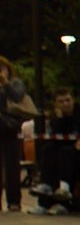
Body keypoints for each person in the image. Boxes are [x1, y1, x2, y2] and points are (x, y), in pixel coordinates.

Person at [0, 56, 33, 212]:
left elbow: (18, 96)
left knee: (12, 168)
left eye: (2, 69)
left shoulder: (15, 83)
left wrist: (5, 83)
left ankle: (14, 201)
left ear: (8, 70)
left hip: (11, 128)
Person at [29, 87, 77, 215]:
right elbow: (56, 138)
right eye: (61, 101)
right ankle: (44, 200)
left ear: (73, 100)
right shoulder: (56, 119)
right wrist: (61, 119)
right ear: (56, 104)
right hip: (63, 151)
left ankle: (64, 196)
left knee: (66, 153)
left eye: (68, 100)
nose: (65, 104)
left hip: (75, 152)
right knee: (48, 149)